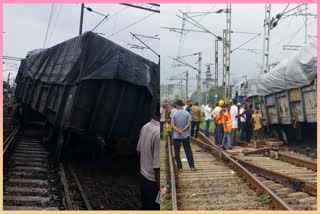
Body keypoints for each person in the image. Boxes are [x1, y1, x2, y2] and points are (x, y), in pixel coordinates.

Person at [137, 106, 160, 210]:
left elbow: (139, 150)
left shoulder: (145, 126)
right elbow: (157, 168)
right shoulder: (158, 133)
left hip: (143, 178)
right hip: (153, 182)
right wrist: (162, 189)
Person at [171, 99, 196, 172]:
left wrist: (178, 130)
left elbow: (172, 125)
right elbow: (188, 124)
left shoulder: (175, 114)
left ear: (177, 105)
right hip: (185, 135)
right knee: (188, 151)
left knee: (177, 152)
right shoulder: (187, 113)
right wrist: (183, 130)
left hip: (176, 136)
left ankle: (180, 168)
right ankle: (192, 167)